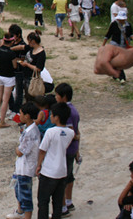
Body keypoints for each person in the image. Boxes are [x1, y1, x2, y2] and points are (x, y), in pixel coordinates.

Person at [36, 102, 74, 219]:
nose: (50, 117)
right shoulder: (70, 132)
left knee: (43, 201)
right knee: (57, 203)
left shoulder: (50, 132)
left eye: (52, 115)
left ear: (56, 117)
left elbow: (42, 150)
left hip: (49, 171)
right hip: (62, 171)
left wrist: (38, 165)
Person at [5, 102, 41, 219]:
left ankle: (27, 216)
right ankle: (20, 211)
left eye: (21, 113)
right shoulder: (30, 128)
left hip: (26, 168)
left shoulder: (31, 132)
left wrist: (16, 149)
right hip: (21, 167)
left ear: (27, 116)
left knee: (25, 194)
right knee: (18, 189)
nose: (19, 116)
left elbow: (20, 151)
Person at [54, 83, 80, 217]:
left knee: (62, 179)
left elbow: (70, 132)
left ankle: (63, 207)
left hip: (66, 150)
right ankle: (69, 201)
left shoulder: (66, 112)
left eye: (57, 95)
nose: (56, 97)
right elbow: (77, 132)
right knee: (69, 176)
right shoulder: (74, 109)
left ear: (63, 97)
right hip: (72, 149)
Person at [102, 11, 133, 83]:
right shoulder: (114, 24)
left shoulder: (128, 25)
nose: (122, 20)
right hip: (115, 45)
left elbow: (130, 34)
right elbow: (108, 35)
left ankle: (115, 75)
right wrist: (103, 45)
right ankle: (122, 78)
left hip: (123, 46)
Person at [0, 33, 18, 128]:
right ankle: (2, 122)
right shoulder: (11, 53)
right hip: (9, 77)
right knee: (5, 99)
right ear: (11, 41)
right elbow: (15, 65)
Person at [15, 30, 46, 99]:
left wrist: (26, 64)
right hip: (25, 75)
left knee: (31, 96)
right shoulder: (31, 48)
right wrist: (11, 49)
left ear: (33, 41)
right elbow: (22, 47)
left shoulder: (41, 54)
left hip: (32, 78)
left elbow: (38, 68)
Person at [9, 24, 26, 116]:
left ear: (18, 35)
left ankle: (16, 110)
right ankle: (11, 108)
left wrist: (16, 61)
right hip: (10, 72)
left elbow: (22, 60)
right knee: (9, 91)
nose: (12, 37)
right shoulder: (12, 43)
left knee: (19, 92)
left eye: (14, 35)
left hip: (19, 71)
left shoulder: (23, 45)